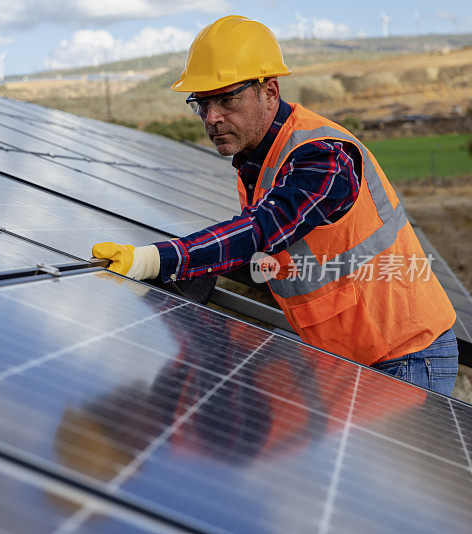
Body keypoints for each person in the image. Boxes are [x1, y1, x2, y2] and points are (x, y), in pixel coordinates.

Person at [91, 15, 458, 395]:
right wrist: (199, 269)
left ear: (270, 92)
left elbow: (263, 229)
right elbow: (281, 256)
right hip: (347, 358)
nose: (212, 117)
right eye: (201, 104)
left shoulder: (324, 157)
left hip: (405, 354)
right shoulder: (258, 160)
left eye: (227, 99)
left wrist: (159, 259)